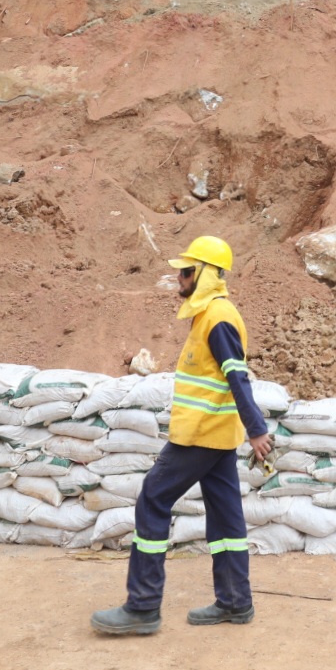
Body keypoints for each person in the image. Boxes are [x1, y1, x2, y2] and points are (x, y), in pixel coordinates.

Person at [91, 235, 275, 636]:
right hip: (215, 437)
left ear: (207, 275)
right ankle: (235, 602)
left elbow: (236, 376)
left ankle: (142, 607)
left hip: (199, 437)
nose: (180, 277)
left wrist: (257, 430)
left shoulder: (218, 317)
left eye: (187, 271)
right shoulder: (208, 314)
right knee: (226, 517)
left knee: (153, 499)